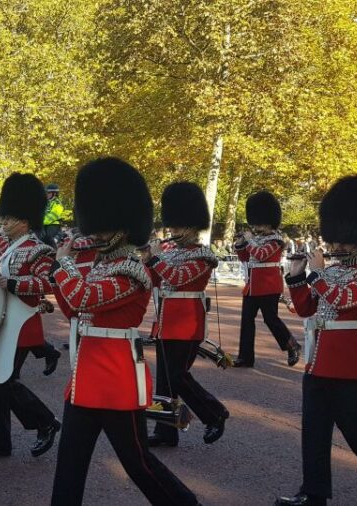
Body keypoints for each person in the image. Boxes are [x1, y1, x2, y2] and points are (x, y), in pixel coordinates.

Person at [50, 157, 198, 506]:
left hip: (116, 379)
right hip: (85, 376)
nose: (96, 235)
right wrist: (60, 271)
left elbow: (84, 297)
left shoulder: (132, 270)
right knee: (69, 461)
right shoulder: (104, 264)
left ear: (124, 226)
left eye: (103, 228)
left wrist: (64, 264)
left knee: (138, 463)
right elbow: (74, 308)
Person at [276, 176, 357, 506]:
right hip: (319, 363)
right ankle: (314, 493)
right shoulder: (332, 272)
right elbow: (307, 308)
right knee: (314, 431)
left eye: (343, 240)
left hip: (354, 367)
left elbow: (342, 300)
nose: (336, 245)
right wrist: (295, 276)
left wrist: (316, 274)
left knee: (356, 431)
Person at [0, 173, 61, 459]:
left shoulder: (39, 250)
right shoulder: (8, 248)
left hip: (22, 323)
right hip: (2, 321)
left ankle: (46, 421)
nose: (3, 224)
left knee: (5, 380)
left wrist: (14, 284)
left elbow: (48, 283)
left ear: (24, 220)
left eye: (8, 219)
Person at [143, 182, 228, 448]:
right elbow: (155, 282)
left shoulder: (203, 255)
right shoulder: (168, 251)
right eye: (173, 225)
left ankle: (214, 413)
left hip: (187, 322)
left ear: (192, 226)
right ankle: (165, 431)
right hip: (165, 321)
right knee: (165, 381)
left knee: (178, 376)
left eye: (179, 225)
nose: (173, 230)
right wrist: (147, 260)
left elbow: (179, 279)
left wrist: (156, 260)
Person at [232, 191, 301, 368]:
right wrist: (240, 244)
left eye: (260, 223)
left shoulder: (276, 240)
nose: (257, 227)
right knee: (246, 321)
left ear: (269, 222)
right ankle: (245, 357)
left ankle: (291, 344)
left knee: (270, 319)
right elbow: (245, 258)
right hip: (253, 285)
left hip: (268, 285)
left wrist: (248, 242)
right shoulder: (256, 239)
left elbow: (262, 255)